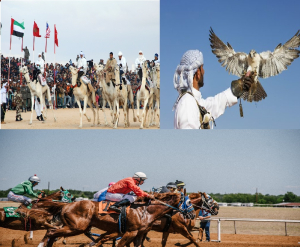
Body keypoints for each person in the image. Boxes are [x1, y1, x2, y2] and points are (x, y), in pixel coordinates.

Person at [173, 50, 254, 129]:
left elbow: (215, 104)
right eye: (202, 68)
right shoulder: (188, 102)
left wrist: (240, 86)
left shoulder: (194, 101)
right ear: (198, 73)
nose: (204, 72)